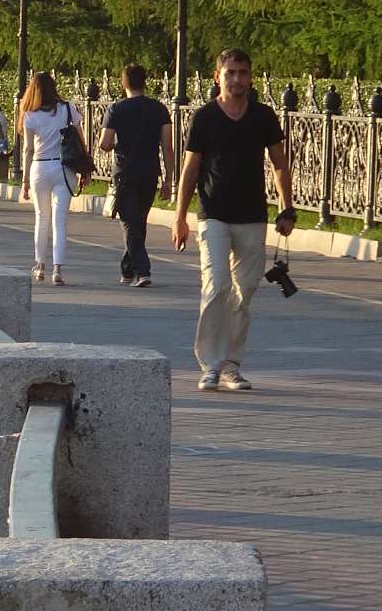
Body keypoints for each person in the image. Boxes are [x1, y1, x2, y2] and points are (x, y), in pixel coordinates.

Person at [172, 47, 295, 393]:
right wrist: (180, 217)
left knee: (245, 291)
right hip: (213, 214)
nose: (238, 79)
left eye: (243, 73)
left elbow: (279, 163)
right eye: (231, 73)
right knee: (217, 285)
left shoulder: (263, 117)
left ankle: (231, 365)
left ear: (250, 76)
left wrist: (287, 208)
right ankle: (209, 364)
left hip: (252, 215)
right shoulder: (205, 117)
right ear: (217, 77)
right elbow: (191, 168)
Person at [100, 64, 174, 289]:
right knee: (137, 221)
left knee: (130, 224)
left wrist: (117, 144)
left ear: (123, 84)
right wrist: (169, 179)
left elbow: (105, 143)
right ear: (146, 82)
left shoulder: (116, 109)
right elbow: (167, 147)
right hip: (150, 173)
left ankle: (143, 271)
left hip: (124, 174)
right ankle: (127, 269)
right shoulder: (159, 109)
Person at [19, 71, 83, 285]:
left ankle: (40, 266)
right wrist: (85, 170)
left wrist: (25, 182)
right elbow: (80, 141)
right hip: (64, 167)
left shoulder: (30, 115)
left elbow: (28, 149)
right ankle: (58, 269)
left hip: (39, 166)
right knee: (60, 220)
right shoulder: (67, 109)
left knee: (41, 217)